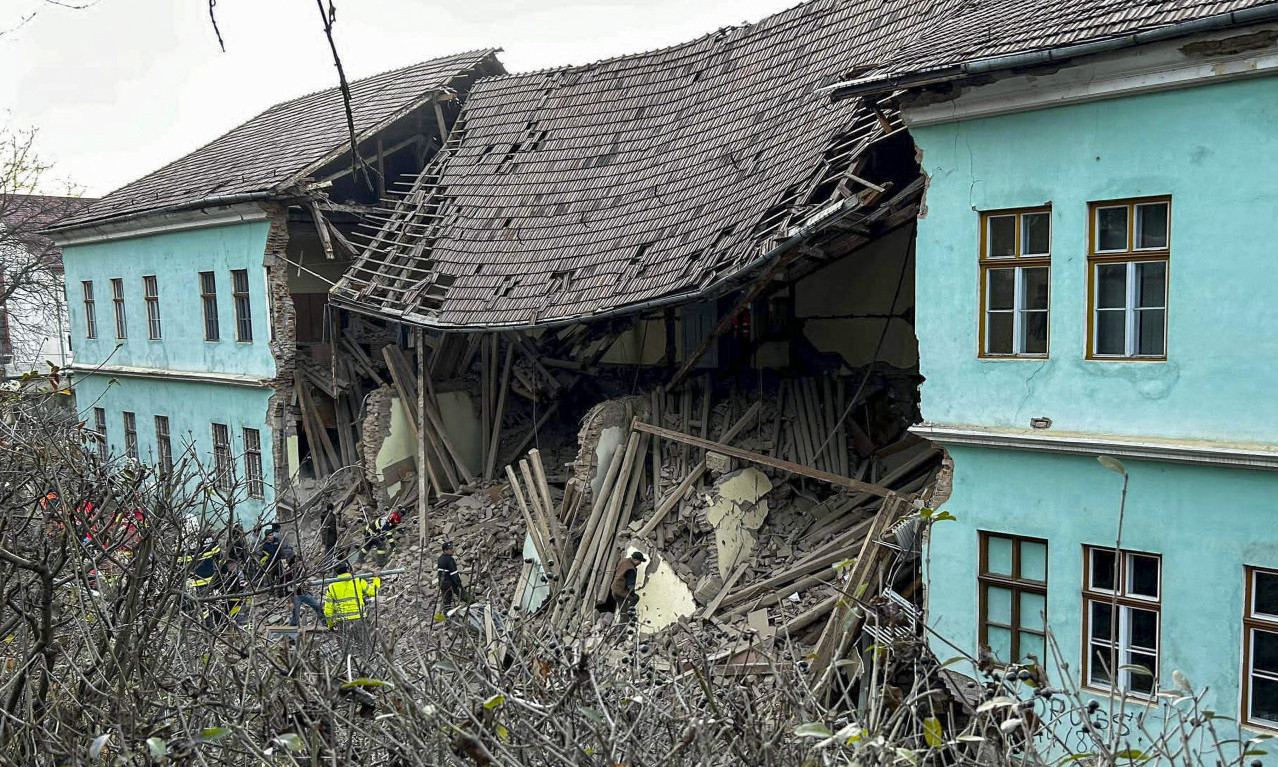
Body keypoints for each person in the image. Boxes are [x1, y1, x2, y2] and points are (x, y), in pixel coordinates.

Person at [323, 562, 380, 650]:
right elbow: (373, 592)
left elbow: (328, 611)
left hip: (343, 622)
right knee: (365, 646)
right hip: (359, 619)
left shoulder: (332, 586)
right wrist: (376, 578)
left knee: (347, 649)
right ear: (348, 569)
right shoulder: (358, 581)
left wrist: (330, 624)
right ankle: (366, 662)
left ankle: (351, 663)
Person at [609, 551, 646, 625]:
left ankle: (628, 613)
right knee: (624, 615)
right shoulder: (631, 570)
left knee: (633, 599)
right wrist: (632, 594)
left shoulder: (624, 560)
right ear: (635, 560)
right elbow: (630, 586)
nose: (640, 563)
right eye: (640, 561)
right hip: (620, 592)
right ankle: (620, 633)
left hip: (615, 588)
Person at [284, 558, 324, 628]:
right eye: (299, 563)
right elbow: (287, 589)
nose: (301, 564)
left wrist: (308, 590)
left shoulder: (302, 571)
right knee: (296, 613)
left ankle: (325, 624)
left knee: (317, 606)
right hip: (295, 596)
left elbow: (305, 582)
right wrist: (290, 601)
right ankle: (292, 631)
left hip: (304, 594)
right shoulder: (288, 574)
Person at [436, 541, 466, 611]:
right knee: (463, 595)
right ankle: (473, 604)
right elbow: (454, 574)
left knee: (446, 601)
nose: (452, 550)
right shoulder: (450, 560)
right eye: (450, 549)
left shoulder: (440, 558)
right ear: (445, 550)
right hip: (450, 583)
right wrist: (459, 584)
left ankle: (447, 617)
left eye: (452, 548)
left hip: (442, 583)